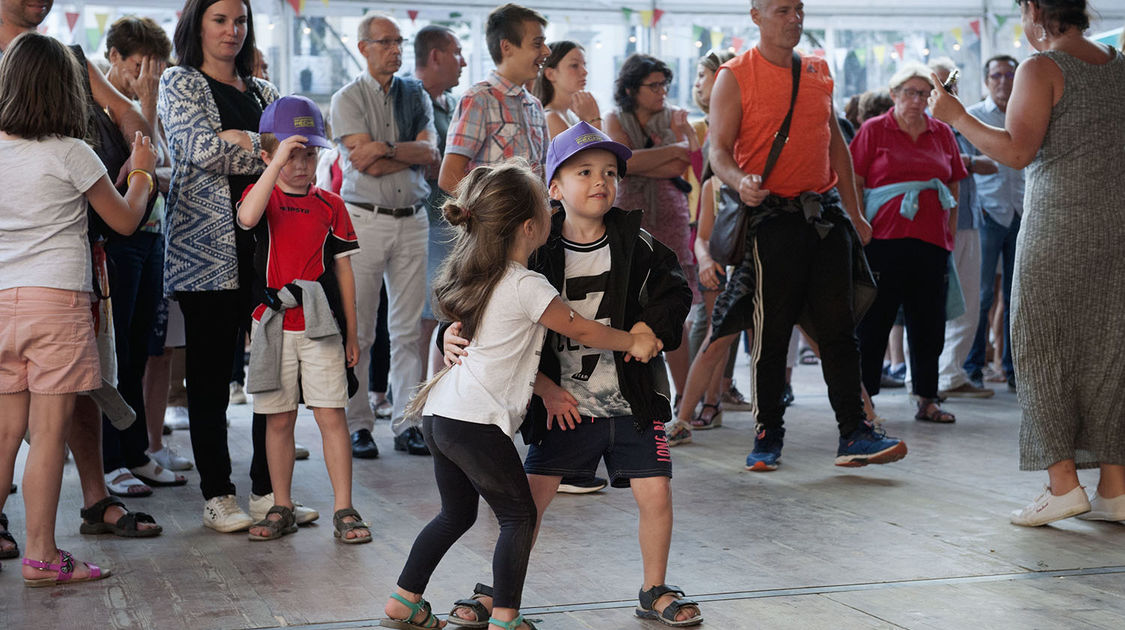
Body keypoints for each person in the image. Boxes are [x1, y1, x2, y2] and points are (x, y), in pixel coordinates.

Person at [380, 160, 661, 630]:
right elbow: (580, 328)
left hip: (442, 416)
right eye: (546, 209)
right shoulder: (527, 284)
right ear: (531, 227)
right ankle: (506, 617)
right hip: (473, 422)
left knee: (455, 515)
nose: (554, 212)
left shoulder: (480, 274)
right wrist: (632, 340)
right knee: (519, 516)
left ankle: (403, 601)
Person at [445, 123, 700, 627]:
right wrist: (449, 335)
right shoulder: (532, 248)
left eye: (609, 172)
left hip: (632, 402)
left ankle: (655, 589)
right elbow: (477, 301)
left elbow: (676, 291)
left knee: (656, 492)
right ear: (554, 190)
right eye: (584, 171)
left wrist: (653, 324)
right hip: (561, 407)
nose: (600, 180)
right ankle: (499, 593)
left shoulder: (638, 242)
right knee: (530, 503)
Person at [679, 0, 905, 471]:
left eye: (799, 9)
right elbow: (717, 151)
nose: (794, 18)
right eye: (782, 10)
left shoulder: (820, 69)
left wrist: (855, 212)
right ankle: (767, 436)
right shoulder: (735, 76)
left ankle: (854, 433)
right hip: (772, 220)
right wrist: (740, 181)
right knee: (771, 334)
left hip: (824, 216)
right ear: (756, 15)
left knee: (839, 331)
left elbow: (835, 145)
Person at [930, 0, 1125, 526]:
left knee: (1040, 343)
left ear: (1036, 9)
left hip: (1059, 228)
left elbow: (1016, 152)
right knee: (1109, 349)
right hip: (1115, 228)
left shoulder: (1042, 68)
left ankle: (1062, 484)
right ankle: (1115, 485)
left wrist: (956, 116)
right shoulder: (1120, 65)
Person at [0, 31, 157, 585]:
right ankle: (42, 556)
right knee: (47, 434)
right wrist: (140, 168)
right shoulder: (73, 151)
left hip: (1, 303)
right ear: (69, 89)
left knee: (3, 430)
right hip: (56, 304)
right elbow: (124, 219)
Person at [159, 0, 293, 532]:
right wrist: (266, 149)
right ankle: (218, 493)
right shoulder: (180, 81)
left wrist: (250, 143)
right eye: (220, 20)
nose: (232, 31)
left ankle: (266, 491)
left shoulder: (262, 90)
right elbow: (198, 151)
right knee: (211, 380)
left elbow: (298, 153)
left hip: (268, 250)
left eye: (240, 21)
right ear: (198, 25)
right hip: (206, 255)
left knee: (270, 379)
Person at [236, 96, 370, 543]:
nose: (301, 163)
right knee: (278, 420)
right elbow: (247, 216)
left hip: (320, 327)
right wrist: (273, 165)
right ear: (269, 156)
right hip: (273, 327)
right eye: (291, 153)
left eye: (309, 154)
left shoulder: (331, 205)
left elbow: (345, 273)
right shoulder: (263, 198)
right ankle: (281, 504)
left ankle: (344, 508)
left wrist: (353, 333)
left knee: (332, 414)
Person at [330, 13, 438, 460]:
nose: (395, 49)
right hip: (364, 221)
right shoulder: (346, 98)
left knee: (408, 331)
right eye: (385, 42)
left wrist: (384, 147)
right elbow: (363, 165)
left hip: (412, 218)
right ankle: (359, 425)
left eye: (399, 41)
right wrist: (398, 154)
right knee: (360, 330)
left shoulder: (416, 94)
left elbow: (430, 153)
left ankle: (408, 422)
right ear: (363, 47)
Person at [100, 15, 193, 492]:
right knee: (115, 354)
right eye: (138, 66)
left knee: (141, 350)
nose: (146, 79)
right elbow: (136, 167)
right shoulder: (102, 105)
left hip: (152, 233)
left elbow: (161, 168)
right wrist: (148, 103)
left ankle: (135, 451)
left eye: (155, 70)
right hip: (115, 238)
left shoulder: (142, 102)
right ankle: (110, 459)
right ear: (113, 57)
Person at [850, 64, 968, 424]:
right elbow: (854, 179)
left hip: (930, 241)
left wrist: (949, 231)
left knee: (928, 323)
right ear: (895, 94)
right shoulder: (874, 129)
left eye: (923, 93)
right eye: (910, 93)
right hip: (882, 239)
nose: (917, 100)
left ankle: (927, 398)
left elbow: (953, 183)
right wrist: (859, 224)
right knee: (874, 323)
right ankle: (863, 403)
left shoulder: (941, 132)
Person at [605, 54, 700, 410]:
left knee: (677, 305)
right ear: (631, 88)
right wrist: (670, 151)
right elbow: (622, 161)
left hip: (672, 217)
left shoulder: (675, 116)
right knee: (630, 304)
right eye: (653, 85)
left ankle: (686, 398)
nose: (661, 91)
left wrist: (654, 158)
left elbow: (685, 161)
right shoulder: (615, 118)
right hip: (632, 216)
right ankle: (637, 392)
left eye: (665, 85)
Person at [929, 58, 998, 400]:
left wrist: (964, 162)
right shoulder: (923, 125)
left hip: (969, 220)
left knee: (970, 302)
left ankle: (950, 373)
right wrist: (965, 163)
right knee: (931, 302)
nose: (946, 91)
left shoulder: (963, 122)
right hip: (933, 225)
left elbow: (991, 163)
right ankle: (930, 375)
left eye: (951, 85)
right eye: (940, 85)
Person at [962, 54, 1025, 393]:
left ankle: (1014, 370)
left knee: (1017, 296)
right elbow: (963, 163)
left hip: (1020, 212)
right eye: (997, 75)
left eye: (1009, 75)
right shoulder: (973, 116)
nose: (1003, 81)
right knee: (982, 295)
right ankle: (973, 366)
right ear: (987, 80)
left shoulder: (1025, 112)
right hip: (987, 214)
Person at [439, 3, 549, 193]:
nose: (547, 51)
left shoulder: (535, 105)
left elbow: (544, 171)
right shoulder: (478, 99)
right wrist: (490, 216)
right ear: (506, 47)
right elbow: (449, 177)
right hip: (495, 221)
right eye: (537, 44)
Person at [412, 25, 465, 382]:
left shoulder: (450, 104)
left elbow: (440, 161)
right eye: (457, 52)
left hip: (452, 221)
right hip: (424, 218)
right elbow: (425, 160)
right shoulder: (409, 97)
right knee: (428, 311)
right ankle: (421, 387)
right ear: (435, 56)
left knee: (447, 305)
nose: (463, 61)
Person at [532, 41, 601, 137]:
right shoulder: (551, 119)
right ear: (550, 74)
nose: (585, 72)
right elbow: (595, 152)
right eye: (574, 65)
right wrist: (593, 120)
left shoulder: (570, 114)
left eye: (584, 65)